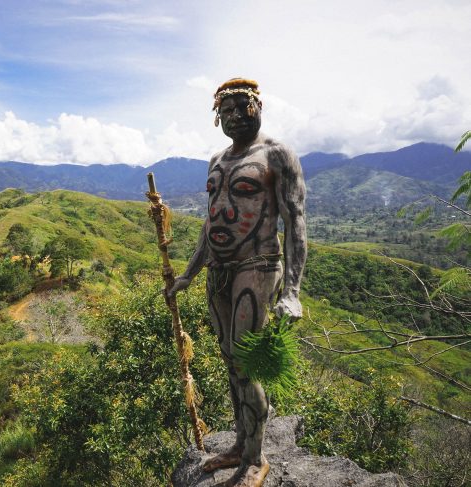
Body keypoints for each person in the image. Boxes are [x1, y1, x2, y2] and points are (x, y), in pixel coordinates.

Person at [168, 78, 307, 487]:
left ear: (257, 107)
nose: (231, 116)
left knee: (246, 365)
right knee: (230, 359)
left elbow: (296, 221)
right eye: (224, 111)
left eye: (239, 108)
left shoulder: (277, 155)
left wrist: (294, 292)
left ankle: (256, 458)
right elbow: (210, 221)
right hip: (219, 270)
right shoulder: (217, 159)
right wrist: (189, 273)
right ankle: (239, 445)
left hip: (258, 265)